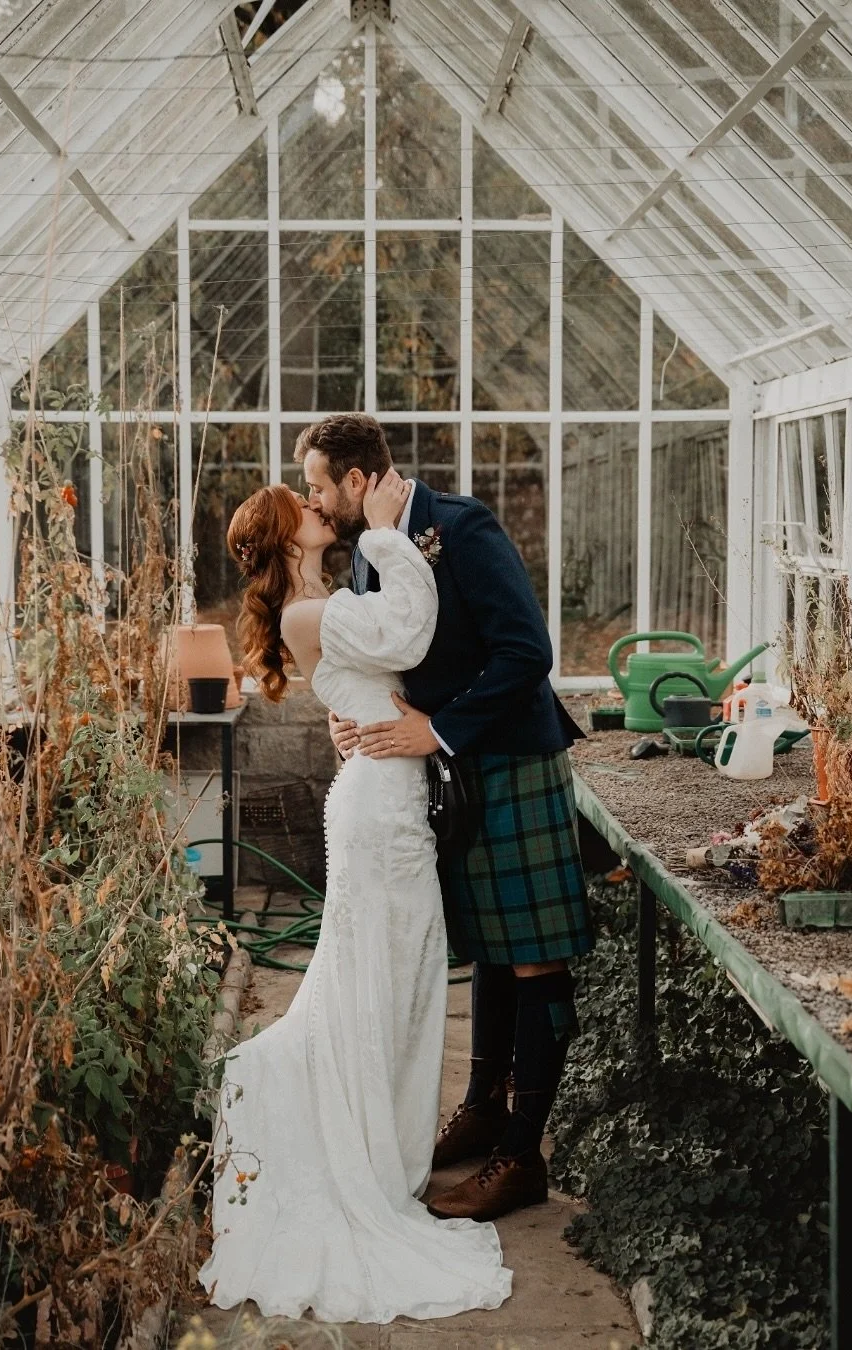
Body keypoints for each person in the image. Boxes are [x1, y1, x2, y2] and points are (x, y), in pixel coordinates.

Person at [198, 472, 512, 1323]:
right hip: (378, 813)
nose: (316, 507)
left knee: (399, 987)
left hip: (385, 800)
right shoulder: (309, 611)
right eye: (300, 505)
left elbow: (389, 662)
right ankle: (372, 1167)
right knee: (386, 989)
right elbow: (411, 631)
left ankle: (387, 1155)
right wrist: (382, 527)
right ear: (283, 535)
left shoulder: (326, 599)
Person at [300, 413, 593, 1223]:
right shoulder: (368, 550)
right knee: (492, 952)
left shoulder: (461, 528)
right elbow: (380, 653)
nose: (314, 500)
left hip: (511, 758)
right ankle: (482, 1110)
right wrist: (349, 712)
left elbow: (526, 652)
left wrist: (437, 727)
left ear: (359, 480)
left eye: (320, 485)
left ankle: (521, 1154)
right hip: (450, 774)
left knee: (532, 956)